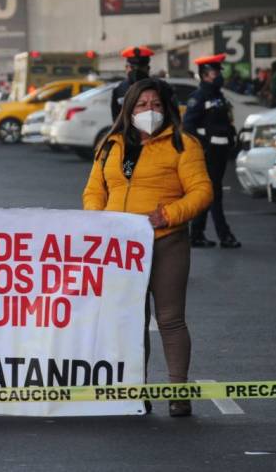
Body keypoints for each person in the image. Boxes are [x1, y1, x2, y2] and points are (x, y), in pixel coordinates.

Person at [84, 78, 213, 417]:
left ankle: (178, 392)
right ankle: (135, 392)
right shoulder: (110, 145)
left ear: (167, 108)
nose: (149, 111)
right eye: (141, 105)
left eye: (155, 105)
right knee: (129, 321)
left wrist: (168, 215)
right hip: (120, 248)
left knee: (170, 319)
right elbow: (95, 189)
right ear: (128, 110)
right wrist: (95, 221)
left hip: (165, 241)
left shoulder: (183, 145)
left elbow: (202, 192)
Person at [183, 54, 242, 249]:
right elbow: (188, 125)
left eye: (218, 72)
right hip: (208, 153)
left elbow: (224, 122)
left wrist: (232, 136)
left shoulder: (219, 97)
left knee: (210, 193)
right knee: (214, 193)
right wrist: (203, 145)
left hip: (220, 152)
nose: (218, 76)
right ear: (204, 75)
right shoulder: (199, 97)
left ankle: (197, 234)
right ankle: (224, 235)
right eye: (214, 73)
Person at [110, 46, 154, 122]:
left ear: (148, 68)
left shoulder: (158, 88)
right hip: (127, 132)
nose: (136, 71)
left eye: (141, 67)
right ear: (126, 68)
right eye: (133, 67)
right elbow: (116, 117)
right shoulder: (119, 89)